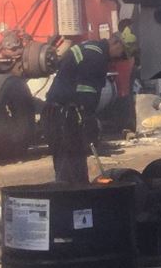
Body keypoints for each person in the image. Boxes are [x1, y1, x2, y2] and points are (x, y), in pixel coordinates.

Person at [44, 26, 137, 184]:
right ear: (116, 44)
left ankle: (74, 194)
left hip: (60, 112)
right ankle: (73, 199)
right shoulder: (96, 57)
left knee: (70, 162)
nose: (118, 60)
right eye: (121, 55)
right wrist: (88, 120)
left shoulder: (91, 48)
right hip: (66, 115)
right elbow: (86, 94)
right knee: (71, 165)